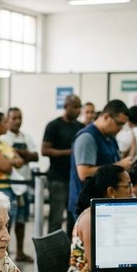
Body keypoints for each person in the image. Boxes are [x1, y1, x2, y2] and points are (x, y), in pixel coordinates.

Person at [64, 165, 132, 272]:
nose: (131, 192)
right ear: (111, 192)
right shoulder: (91, 218)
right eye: (127, 186)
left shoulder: (112, 215)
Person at [69, 99, 132, 224]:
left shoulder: (110, 138)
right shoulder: (87, 138)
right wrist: (120, 165)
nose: (120, 129)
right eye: (118, 124)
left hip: (105, 205)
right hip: (87, 208)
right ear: (106, 117)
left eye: (123, 125)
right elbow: (84, 173)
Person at [0, 107, 38, 263]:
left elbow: (35, 156)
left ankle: (20, 252)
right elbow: (7, 156)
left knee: (22, 219)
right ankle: (5, 252)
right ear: (8, 120)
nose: (17, 121)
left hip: (25, 184)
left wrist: (18, 153)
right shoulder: (3, 138)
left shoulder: (26, 137)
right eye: (14, 118)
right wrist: (26, 154)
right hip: (10, 185)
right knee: (6, 220)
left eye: (19, 118)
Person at [42, 94, 83, 234]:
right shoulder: (54, 126)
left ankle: (72, 247)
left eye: (80, 107)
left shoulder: (80, 126)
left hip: (75, 179)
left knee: (74, 218)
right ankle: (53, 248)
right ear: (66, 107)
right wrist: (70, 152)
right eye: (75, 107)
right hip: (58, 178)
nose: (78, 110)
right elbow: (45, 150)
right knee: (56, 218)